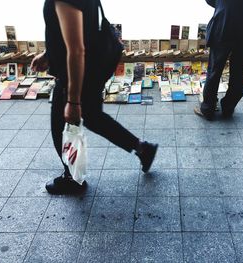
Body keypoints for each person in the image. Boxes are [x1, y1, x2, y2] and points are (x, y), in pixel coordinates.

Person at [31, 0, 158, 195]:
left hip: (77, 74)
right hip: (91, 69)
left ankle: (73, 179)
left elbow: (76, 49)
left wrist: (73, 101)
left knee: (60, 125)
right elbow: (83, 28)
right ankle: (143, 148)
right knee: (93, 117)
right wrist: (49, 54)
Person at [194, 0, 243, 120]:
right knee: (240, 73)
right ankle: (228, 108)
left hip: (224, 23)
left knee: (214, 70)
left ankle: (208, 109)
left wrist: (224, 4)